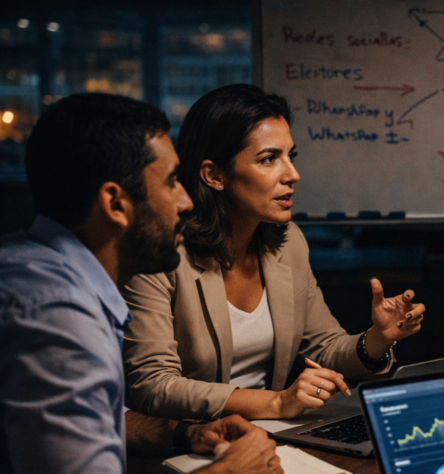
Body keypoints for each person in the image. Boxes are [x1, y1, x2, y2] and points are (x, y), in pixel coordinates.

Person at [0, 93, 284, 474]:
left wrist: (184, 434)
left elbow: (92, 417)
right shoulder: (56, 314)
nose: (187, 201)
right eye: (172, 182)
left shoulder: (39, 268)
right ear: (115, 202)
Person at [122, 84, 426, 422]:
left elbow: (323, 348)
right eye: (269, 159)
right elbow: (152, 385)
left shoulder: (288, 242)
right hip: (189, 445)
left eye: (290, 156)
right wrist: (276, 403)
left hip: (272, 435)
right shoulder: (161, 253)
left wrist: (377, 339)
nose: (292, 175)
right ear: (214, 175)